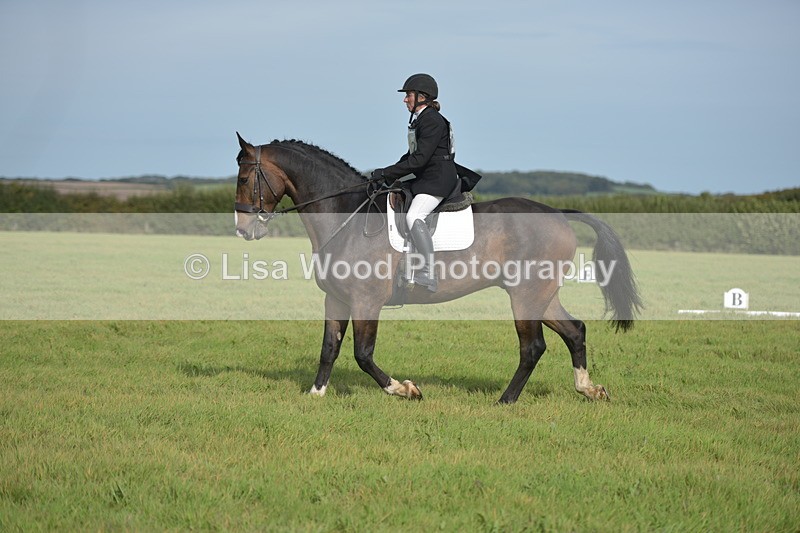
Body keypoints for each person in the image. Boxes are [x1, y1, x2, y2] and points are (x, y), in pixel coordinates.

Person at [371, 73, 458, 293]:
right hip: (428, 177)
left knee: (414, 216)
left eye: (408, 95)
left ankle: (428, 271)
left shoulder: (431, 120)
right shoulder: (422, 119)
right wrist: (388, 175)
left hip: (437, 179)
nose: (405, 99)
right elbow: (411, 155)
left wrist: (387, 172)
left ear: (422, 96)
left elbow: (419, 160)